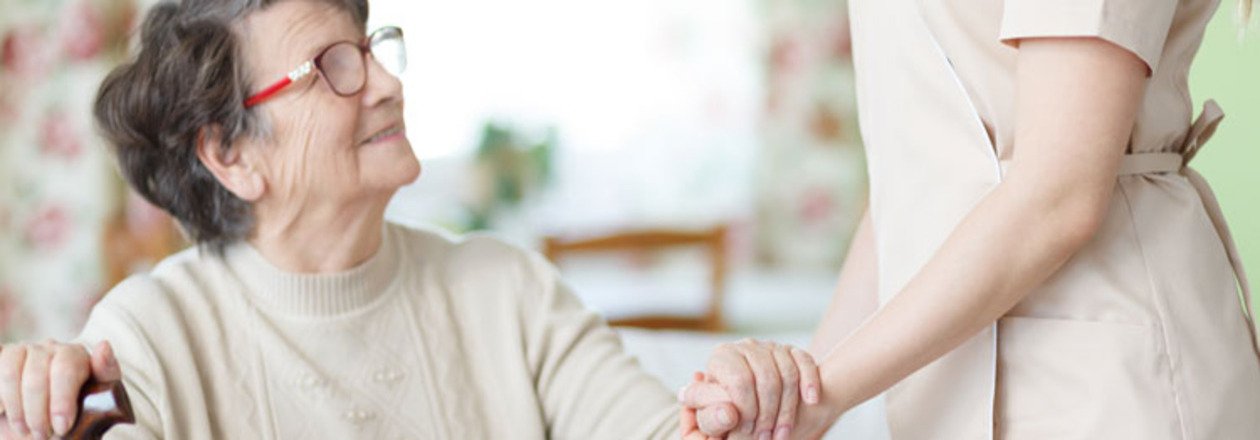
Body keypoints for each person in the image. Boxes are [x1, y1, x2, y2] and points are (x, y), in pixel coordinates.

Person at [0, 1, 820, 438]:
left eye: (371, 48)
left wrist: (739, 407)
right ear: (230, 152)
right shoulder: (147, 337)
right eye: (332, 68)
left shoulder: (507, 289)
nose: (388, 86)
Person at [683, 0, 1260, 438]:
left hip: (1102, 379)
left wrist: (822, 392)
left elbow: (1058, 195)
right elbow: (913, 185)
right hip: (955, 385)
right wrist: (790, 400)